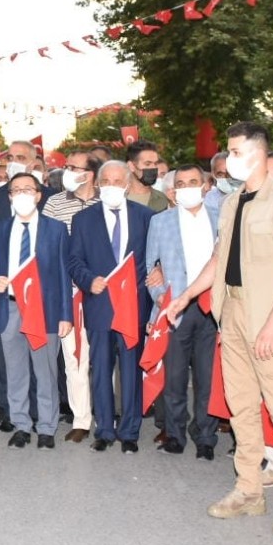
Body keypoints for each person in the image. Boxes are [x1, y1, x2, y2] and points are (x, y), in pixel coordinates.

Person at [166, 123, 273, 538]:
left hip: (269, 316)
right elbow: (219, 256)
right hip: (230, 312)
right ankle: (249, 488)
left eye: (234, 151)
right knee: (241, 406)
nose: (228, 159)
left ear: (257, 154)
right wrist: (186, 296)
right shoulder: (232, 202)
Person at [67, 160, 152, 453]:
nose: (113, 186)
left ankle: (130, 431)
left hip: (133, 306)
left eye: (119, 181)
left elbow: (153, 260)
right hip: (100, 304)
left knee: (130, 370)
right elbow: (74, 260)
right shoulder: (83, 220)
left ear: (128, 185)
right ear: (99, 184)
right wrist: (89, 280)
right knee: (101, 369)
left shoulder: (145, 217)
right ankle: (104, 429)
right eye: (107, 181)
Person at [0, 173, 72, 448]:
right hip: (9, 309)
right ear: (9, 197)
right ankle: (21, 424)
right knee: (16, 371)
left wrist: (65, 316)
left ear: (38, 195)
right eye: (16, 190)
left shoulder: (55, 229)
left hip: (43, 310)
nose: (22, 194)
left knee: (45, 371)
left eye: (27, 189)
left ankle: (47, 427)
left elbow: (63, 275)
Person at [144, 163, 221, 459]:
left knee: (207, 377)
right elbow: (150, 267)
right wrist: (161, 299)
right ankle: (175, 434)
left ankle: (205, 436)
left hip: (211, 308)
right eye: (180, 183)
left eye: (193, 181)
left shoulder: (221, 217)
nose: (186, 187)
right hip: (175, 308)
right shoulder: (160, 222)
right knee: (174, 378)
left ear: (205, 185)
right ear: (173, 189)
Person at [44, 148, 99, 442]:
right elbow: (46, 247)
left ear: (89, 174)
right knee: (74, 358)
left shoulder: (109, 201)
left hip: (103, 291)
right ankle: (81, 419)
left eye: (73, 167)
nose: (67, 171)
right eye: (66, 166)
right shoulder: (54, 203)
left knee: (102, 357)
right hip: (68, 291)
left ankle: (106, 412)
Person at [125, 139, 169, 214]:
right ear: (131, 166)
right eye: (147, 164)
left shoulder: (163, 200)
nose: (153, 168)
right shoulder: (117, 199)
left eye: (155, 164)